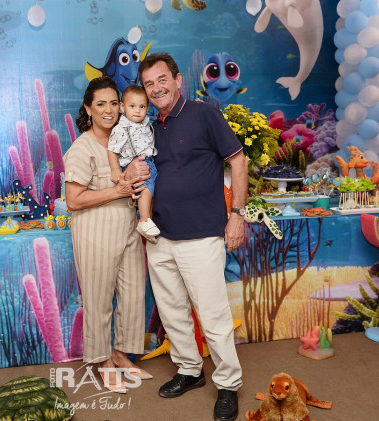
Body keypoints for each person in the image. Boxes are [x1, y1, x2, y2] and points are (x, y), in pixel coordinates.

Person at [135, 53, 249, 421]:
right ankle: (189, 369)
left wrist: (237, 215)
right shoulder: (148, 127)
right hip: (160, 237)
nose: (156, 88)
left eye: (162, 80)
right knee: (172, 313)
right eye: (149, 84)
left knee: (213, 316)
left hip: (202, 236)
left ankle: (228, 384)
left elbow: (239, 161)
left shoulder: (205, 114)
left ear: (178, 80)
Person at [63, 76, 153, 394]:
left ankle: (121, 353)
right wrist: (118, 190)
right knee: (99, 300)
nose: (109, 110)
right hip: (95, 231)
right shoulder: (82, 148)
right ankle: (103, 361)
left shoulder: (125, 139)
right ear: (88, 108)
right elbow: (74, 200)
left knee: (133, 295)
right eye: (101, 104)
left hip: (128, 226)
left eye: (114, 103)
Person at [107, 85, 160, 243]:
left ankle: (149, 220)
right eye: (132, 106)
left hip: (150, 162)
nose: (137, 111)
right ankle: (144, 220)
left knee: (152, 193)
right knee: (145, 189)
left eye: (142, 107)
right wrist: (115, 169)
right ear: (122, 107)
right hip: (136, 164)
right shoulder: (121, 129)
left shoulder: (145, 123)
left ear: (147, 108)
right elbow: (112, 150)